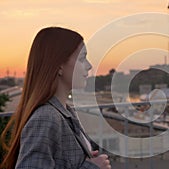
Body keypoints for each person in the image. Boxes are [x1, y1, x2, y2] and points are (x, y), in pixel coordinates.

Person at [0, 27, 111, 169]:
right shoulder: (46, 117)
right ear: (59, 66)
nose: (89, 66)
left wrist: (85, 157)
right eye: (82, 58)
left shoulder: (64, 112)